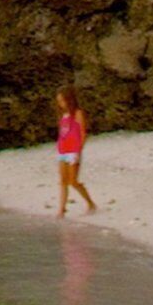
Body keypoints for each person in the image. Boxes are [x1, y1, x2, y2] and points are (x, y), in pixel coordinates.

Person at [55, 86, 97, 215]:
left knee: (73, 181)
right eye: (59, 101)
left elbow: (83, 133)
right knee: (63, 181)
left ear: (69, 100)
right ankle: (61, 209)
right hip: (62, 150)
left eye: (62, 100)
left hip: (73, 151)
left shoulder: (78, 113)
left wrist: (78, 151)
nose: (60, 104)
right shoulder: (63, 115)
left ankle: (90, 203)